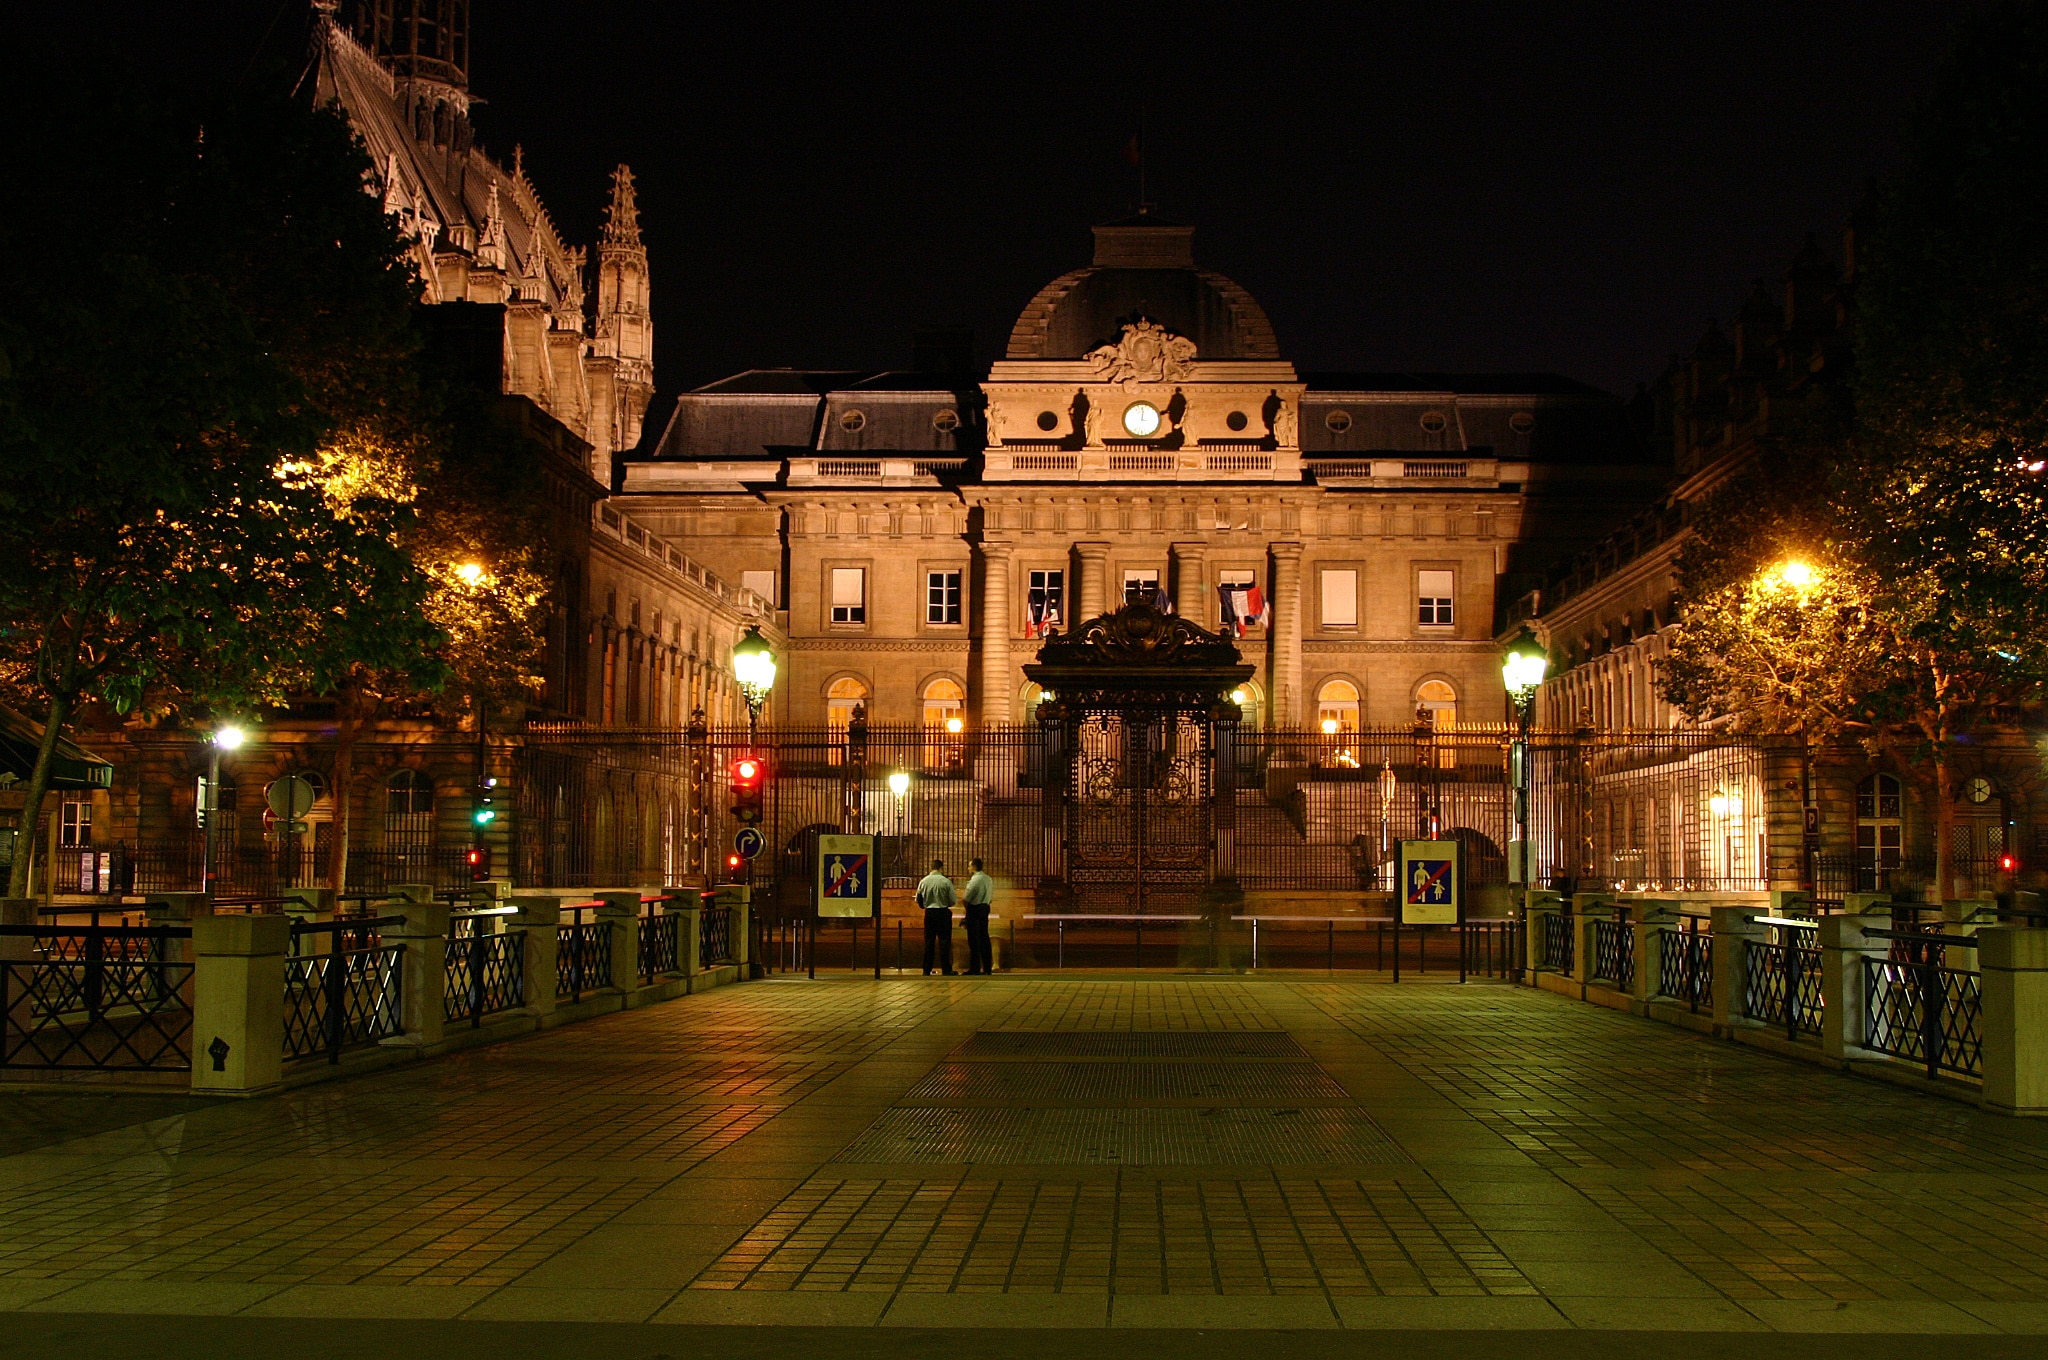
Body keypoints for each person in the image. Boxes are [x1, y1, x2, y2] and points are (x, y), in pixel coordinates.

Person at [916, 858, 957, 975]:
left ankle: (926, 969)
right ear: (941, 868)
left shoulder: (924, 881)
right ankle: (946, 969)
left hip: (929, 913)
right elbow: (953, 900)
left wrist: (925, 905)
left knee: (929, 942)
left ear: (931, 867)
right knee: (944, 942)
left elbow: (919, 899)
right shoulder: (946, 882)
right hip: (943, 913)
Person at [962, 857, 994, 975]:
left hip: (974, 909)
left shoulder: (975, 880)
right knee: (984, 938)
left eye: (970, 866)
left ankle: (975, 968)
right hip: (985, 908)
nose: (968, 868)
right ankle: (987, 967)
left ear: (974, 867)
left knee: (974, 940)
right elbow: (990, 897)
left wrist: (966, 913)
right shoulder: (988, 879)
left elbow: (966, 898)